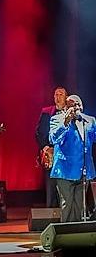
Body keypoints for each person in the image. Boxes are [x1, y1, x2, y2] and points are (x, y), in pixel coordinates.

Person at [49, 94, 96, 222]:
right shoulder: (57, 119)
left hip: (84, 169)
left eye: (77, 104)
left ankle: (77, 234)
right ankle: (66, 235)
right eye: (71, 105)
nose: (75, 107)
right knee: (67, 205)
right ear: (65, 108)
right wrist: (66, 121)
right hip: (65, 170)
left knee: (80, 205)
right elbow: (53, 138)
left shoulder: (90, 121)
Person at [35, 87, 67, 208]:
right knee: (51, 188)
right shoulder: (46, 112)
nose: (58, 97)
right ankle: (52, 217)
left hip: (66, 156)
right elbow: (39, 132)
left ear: (66, 97)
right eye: (56, 95)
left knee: (65, 190)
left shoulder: (71, 113)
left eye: (61, 94)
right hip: (51, 156)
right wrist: (46, 148)